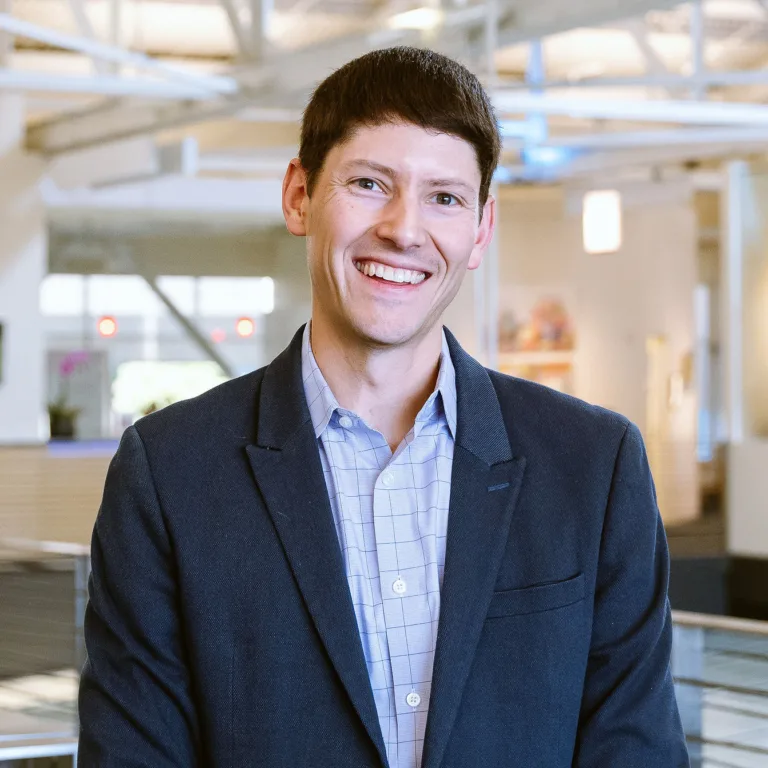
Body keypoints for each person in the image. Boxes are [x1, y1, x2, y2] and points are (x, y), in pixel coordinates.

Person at [78, 47, 689, 768]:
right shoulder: (171, 473)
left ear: (481, 230)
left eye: (445, 197)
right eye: (370, 183)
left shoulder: (593, 465)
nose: (405, 228)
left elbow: (635, 750)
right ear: (299, 196)